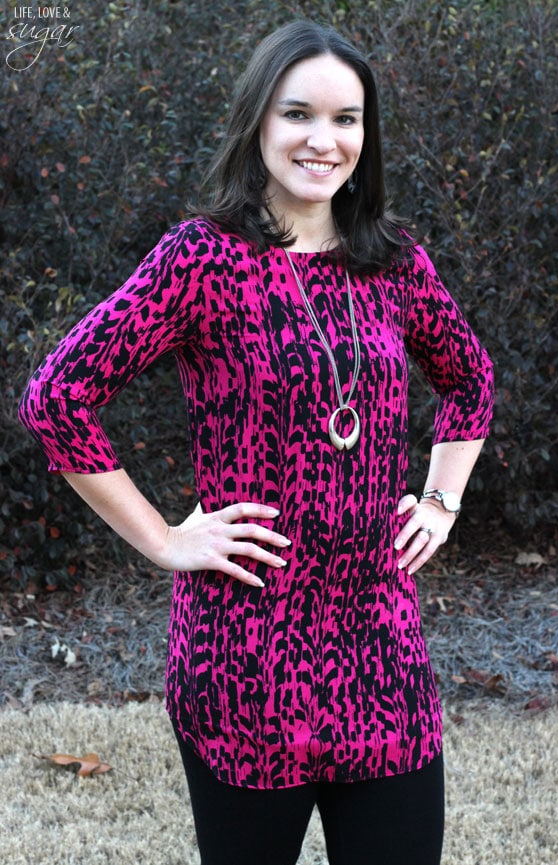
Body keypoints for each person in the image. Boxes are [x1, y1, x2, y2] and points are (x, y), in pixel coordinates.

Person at [19, 19, 494, 865]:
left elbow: (469, 378)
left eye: (346, 119)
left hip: (380, 651)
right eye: (298, 114)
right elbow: (58, 398)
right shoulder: (201, 260)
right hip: (244, 662)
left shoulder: (391, 262)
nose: (323, 140)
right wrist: (165, 538)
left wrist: (440, 498)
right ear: (258, 123)